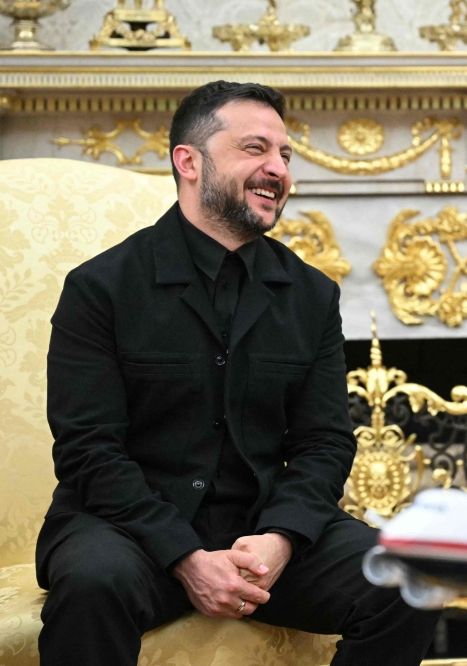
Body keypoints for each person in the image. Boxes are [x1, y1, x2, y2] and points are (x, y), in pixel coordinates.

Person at [36, 80, 439, 666]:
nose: (278, 168)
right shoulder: (100, 288)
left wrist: (281, 539)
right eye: (256, 149)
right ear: (189, 162)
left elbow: (324, 442)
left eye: (285, 155)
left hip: (261, 532)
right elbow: (88, 449)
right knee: (93, 582)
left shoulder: (311, 295)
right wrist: (185, 556)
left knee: (410, 579)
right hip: (128, 530)